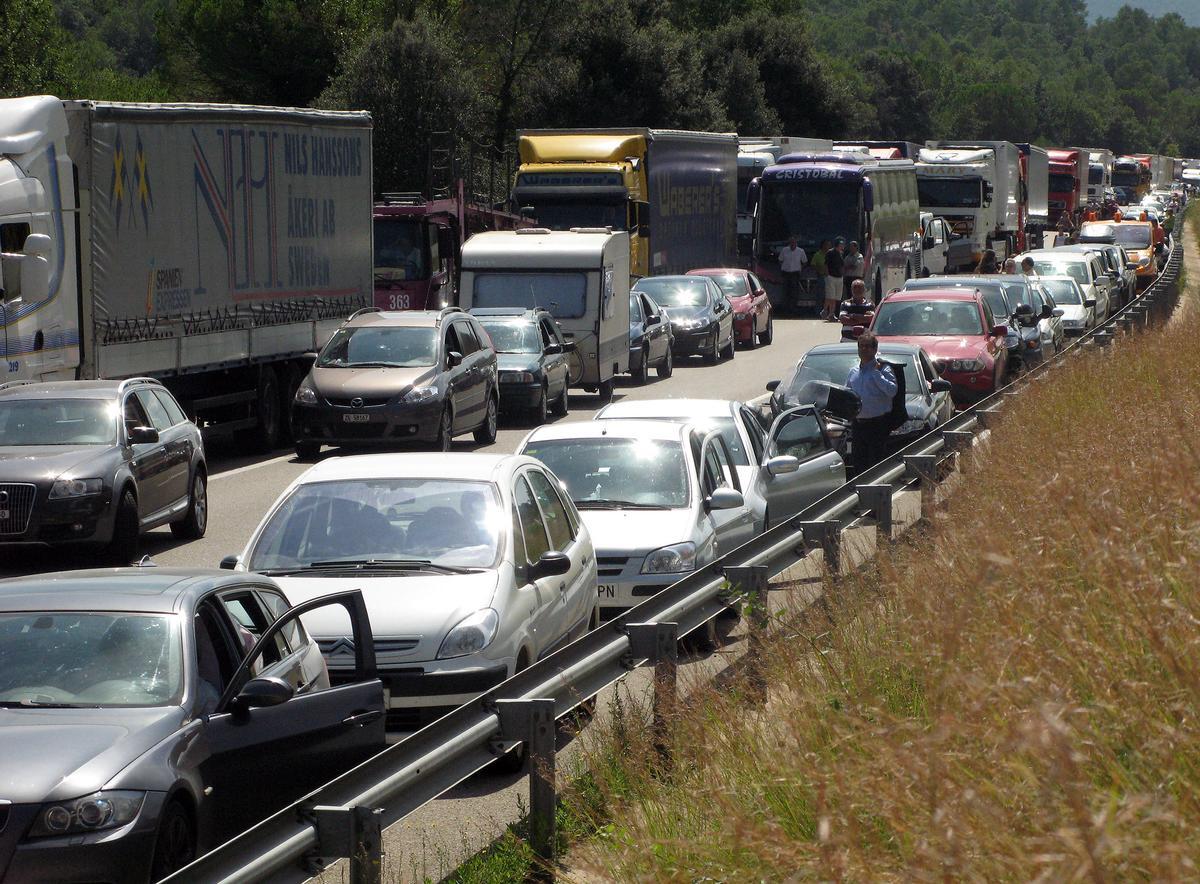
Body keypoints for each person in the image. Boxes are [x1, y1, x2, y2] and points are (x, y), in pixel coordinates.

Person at [845, 330, 897, 475]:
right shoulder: (853, 372)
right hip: (858, 426)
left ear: (875, 349)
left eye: (867, 346)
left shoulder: (884, 369)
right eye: (861, 346)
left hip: (877, 425)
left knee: (876, 465)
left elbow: (892, 391)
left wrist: (876, 374)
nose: (863, 349)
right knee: (859, 464)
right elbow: (847, 395)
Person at [778, 236, 807, 309]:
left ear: (796, 243)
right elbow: (780, 260)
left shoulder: (801, 251)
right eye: (791, 243)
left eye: (794, 243)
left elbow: (805, 262)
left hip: (795, 273)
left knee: (794, 291)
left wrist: (800, 268)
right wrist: (783, 267)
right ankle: (785, 308)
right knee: (785, 291)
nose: (792, 244)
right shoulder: (784, 250)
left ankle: (793, 308)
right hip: (785, 273)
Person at [823, 238, 845, 321]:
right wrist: (827, 275)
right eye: (841, 244)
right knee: (831, 296)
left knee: (836, 297)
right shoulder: (830, 252)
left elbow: (842, 265)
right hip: (831, 277)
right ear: (837, 245)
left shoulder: (841, 253)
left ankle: (830, 312)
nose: (842, 246)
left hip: (839, 277)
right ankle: (831, 314)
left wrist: (843, 274)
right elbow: (826, 264)